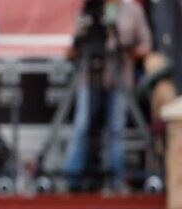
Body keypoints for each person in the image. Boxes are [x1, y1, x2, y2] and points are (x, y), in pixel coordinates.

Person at [63, 0, 151, 192]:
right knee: (82, 124)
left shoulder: (133, 10)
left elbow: (146, 46)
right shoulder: (90, 8)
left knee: (116, 128)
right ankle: (72, 178)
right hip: (90, 77)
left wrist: (127, 50)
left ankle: (115, 179)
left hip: (119, 78)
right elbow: (76, 44)